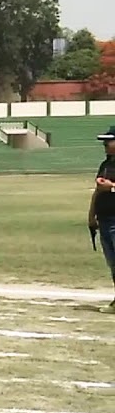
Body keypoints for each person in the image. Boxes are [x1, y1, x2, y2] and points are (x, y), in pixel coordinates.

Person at [90, 126, 115, 314]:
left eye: (108, 141)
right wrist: (91, 215)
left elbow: (107, 188)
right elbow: (97, 191)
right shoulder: (105, 164)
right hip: (105, 219)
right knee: (112, 263)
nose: (105, 145)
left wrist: (112, 187)